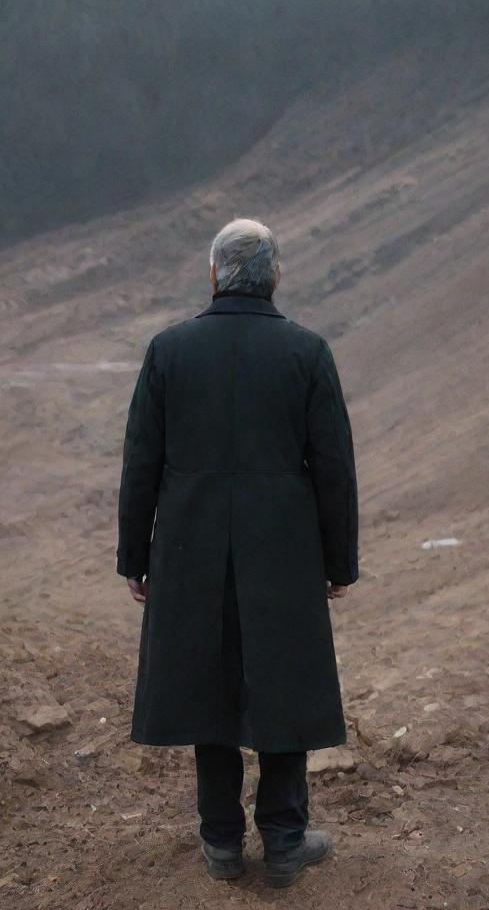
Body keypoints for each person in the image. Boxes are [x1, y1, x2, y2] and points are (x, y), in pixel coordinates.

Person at [116, 218, 358, 888]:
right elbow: (333, 466)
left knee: (207, 685)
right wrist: (338, 564)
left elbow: (142, 463)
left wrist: (135, 557)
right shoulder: (307, 353)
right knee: (283, 681)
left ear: (214, 274)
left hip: (190, 546)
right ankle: (284, 838)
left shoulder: (168, 350)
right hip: (283, 548)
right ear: (275, 276)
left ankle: (221, 840)